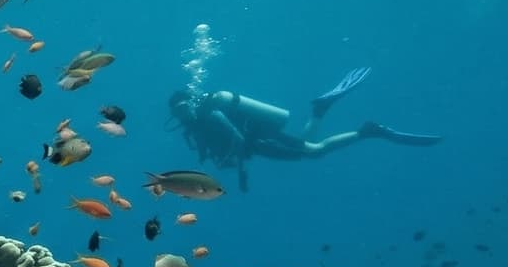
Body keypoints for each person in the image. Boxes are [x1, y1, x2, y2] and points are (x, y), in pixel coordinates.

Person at [168, 68, 440, 190]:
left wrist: (241, 170)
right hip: (261, 138)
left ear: (189, 103)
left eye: (182, 108)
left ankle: (367, 131)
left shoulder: (209, 116)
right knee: (308, 141)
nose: (182, 113)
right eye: (178, 111)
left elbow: (237, 138)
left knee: (315, 151)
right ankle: (320, 110)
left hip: (260, 140)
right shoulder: (195, 124)